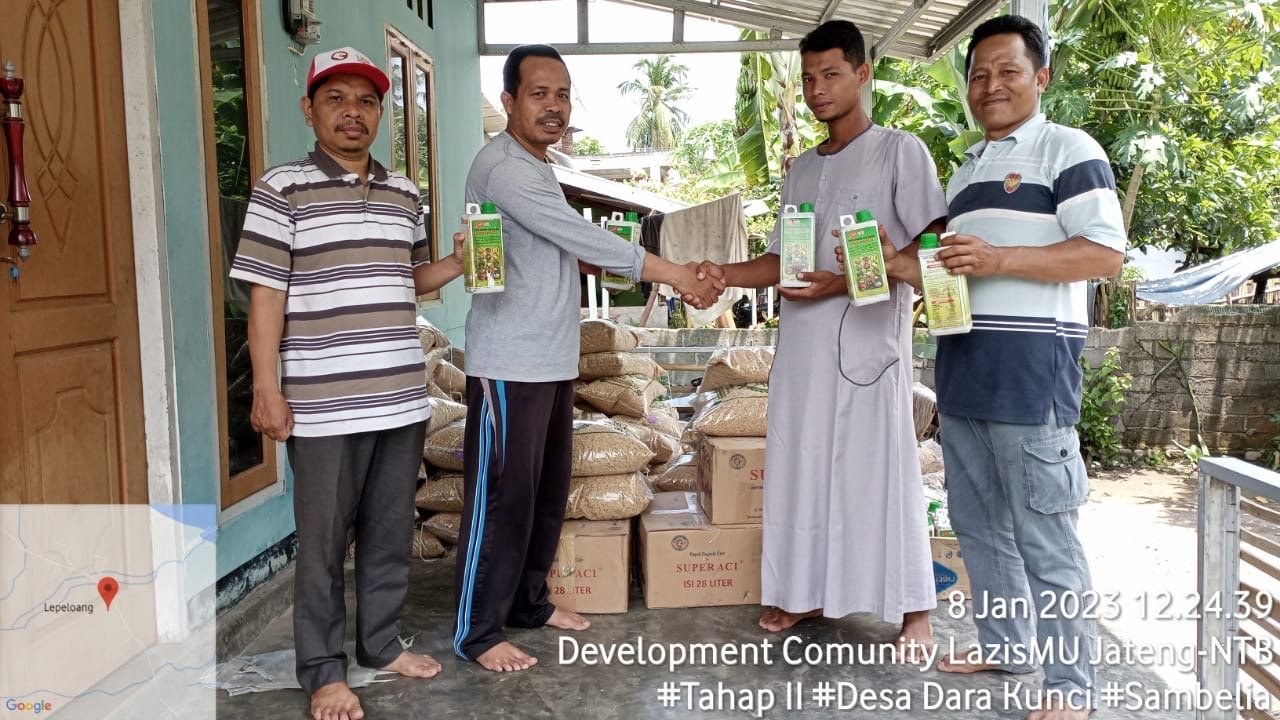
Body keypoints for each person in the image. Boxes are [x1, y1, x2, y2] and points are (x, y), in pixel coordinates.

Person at [864, 15, 1126, 720]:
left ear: (1041, 77)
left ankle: (1072, 690)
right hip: (966, 374)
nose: (990, 86)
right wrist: (881, 261)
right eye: (979, 74)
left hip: (1032, 378)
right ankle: (1008, 646)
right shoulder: (969, 169)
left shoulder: (1068, 150)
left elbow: (1103, 255)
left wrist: (1003, 258)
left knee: (1047, 538)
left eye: (1008, 71)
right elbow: (948, 277)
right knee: (980, 530)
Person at [453, 44, 722, 673]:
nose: (554, 107)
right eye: (540, 93)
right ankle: (477, 630)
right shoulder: (505, 168)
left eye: (564, 94)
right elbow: (583, 238)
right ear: (509, 100)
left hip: (550, 360)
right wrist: (678, 273)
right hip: (508, 364)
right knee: (501, 498)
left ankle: (528, 601)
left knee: (546, 491)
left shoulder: (541, 165)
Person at [230, 46, 465, 720]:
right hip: (323, 402)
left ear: (380, 113)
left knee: (390, 530)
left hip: (398, 396)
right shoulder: (282, 190)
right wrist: (266, 389)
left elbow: (406, 278)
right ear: (310, 110)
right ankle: (323, 670)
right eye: (336, 99)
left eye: (366, 100)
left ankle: (381, 644)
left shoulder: (404, 193)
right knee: (326, 542)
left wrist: (455, 261)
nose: (352, 113)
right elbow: (266, 296)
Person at [698, 20, 946, 656]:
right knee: (801, 467)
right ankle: (805, 592)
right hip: (804, 350)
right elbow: (784, 261)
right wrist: (720, 274)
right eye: (808, 78)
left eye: (831, 74)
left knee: (882, 472)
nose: (817, 89)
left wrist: (847, 281)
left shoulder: (901, 150)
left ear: (863, 74)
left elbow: (933, 247)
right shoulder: (801, 169)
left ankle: (914, 608)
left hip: (869, 350)